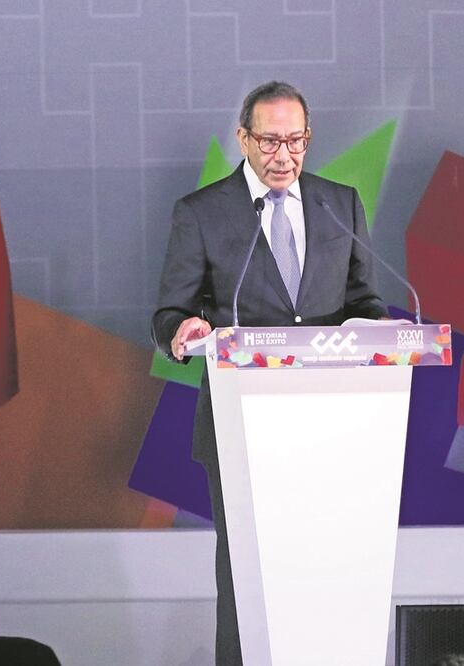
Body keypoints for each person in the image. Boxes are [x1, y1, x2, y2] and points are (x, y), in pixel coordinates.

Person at [151, 80, 388, 665]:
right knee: (247, 579)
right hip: (241, 424)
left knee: (326, 570)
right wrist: (183, 334)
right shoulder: (202, 213)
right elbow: (171, 311)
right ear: (243, 138)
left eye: (297, 140)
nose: (284, 155)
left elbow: (365, 301)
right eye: (270, 141)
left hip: (332, 423)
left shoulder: (340, 202)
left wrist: (375, 329)